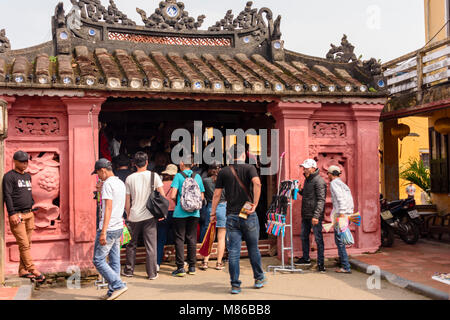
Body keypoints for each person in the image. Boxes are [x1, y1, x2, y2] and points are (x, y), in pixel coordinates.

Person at [212, 145, 265, 294]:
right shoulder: (250, 168)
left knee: (234, 251)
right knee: (253, 247)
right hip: (248, 213)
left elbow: (217, 194)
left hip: (231, 215)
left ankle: (235, 285)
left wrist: (213, 213)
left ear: (229, 156)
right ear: (244, 154)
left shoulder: (224, 171)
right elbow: (257, 183)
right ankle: (259, 278)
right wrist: (255, 203)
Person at [2, 151, 45, 283]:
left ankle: (22, 270)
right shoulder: (9, 177)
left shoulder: (27, 176)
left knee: (27, 244)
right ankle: (32, 269)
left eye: (26, 161)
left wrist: (31, 206)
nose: (25, 164)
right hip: (17, 215)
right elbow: (7, 196)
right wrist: (12, 213)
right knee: (24, 244)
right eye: (22, 161)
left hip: (29, 214)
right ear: (15, 161)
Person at [122, 152, 165, 280]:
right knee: (151, 245)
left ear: (134, 164)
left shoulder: (129, 178)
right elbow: (162, 196)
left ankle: (129, 270)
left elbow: (127, 200)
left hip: (134, 215)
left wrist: (128, 214)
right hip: (150, 216)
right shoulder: (154, 176)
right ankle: (152, 273)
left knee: (131, 245)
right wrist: (161, 212)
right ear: (147, 162)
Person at [92, 158, 128, 300]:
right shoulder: (119, 183)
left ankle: (118, 285)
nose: (98, 177)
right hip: (118, 224)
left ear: (103, 171)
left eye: (98, 173)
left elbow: (108, 208)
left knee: (98, 260)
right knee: (114, 259)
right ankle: (113, 290)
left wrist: (103, 231)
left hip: (109, 227)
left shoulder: (108, 184)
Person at [170, 156, 205, 277]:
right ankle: (192, 267)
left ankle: (180, 268)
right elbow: (202, 197)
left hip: (180, 212)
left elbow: (173, 195)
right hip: (195, 212)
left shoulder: (178, 176)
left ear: (182, 163)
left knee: (180, 238)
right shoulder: (198, 177)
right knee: (192, 238)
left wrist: (179, 204)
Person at [294, 159, 327, 273]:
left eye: (307, 168)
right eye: (304, 168)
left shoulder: (319, 181)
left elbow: (321, 200)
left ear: (313, 168)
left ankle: (321, 263)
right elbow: (307, 195)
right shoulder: (308, 180)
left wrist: (316, 216)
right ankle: (306, 258)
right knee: (303, 236)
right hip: (306, 214)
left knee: (318, 239)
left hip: (314, 215)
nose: (304, 170)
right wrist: (299, 190)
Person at [200, 163, 227, 271]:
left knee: (209, 236)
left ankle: (205, 261)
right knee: (221, 238)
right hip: (223, 207)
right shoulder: (225, 182)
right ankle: (219, 263)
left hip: (211, 208)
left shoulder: (205, 181)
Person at [327, 165, 354, 274]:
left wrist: (341, 213)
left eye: (328, 173)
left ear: (331, 174)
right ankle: (344, 263)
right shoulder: (342, 184)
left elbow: (340, 199)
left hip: (341, 215)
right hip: (347, 214)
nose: (327, 175)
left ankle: (345, 266)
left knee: (340, 241)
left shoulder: (334, 184)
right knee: (341, 240)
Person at [156, 163, 177, 271]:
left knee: (160, 239)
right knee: (178, 238)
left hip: (162, 213)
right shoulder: (176, 184)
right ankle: (179, 262)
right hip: (175, 213)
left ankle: (157, 263)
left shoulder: (160, 185)